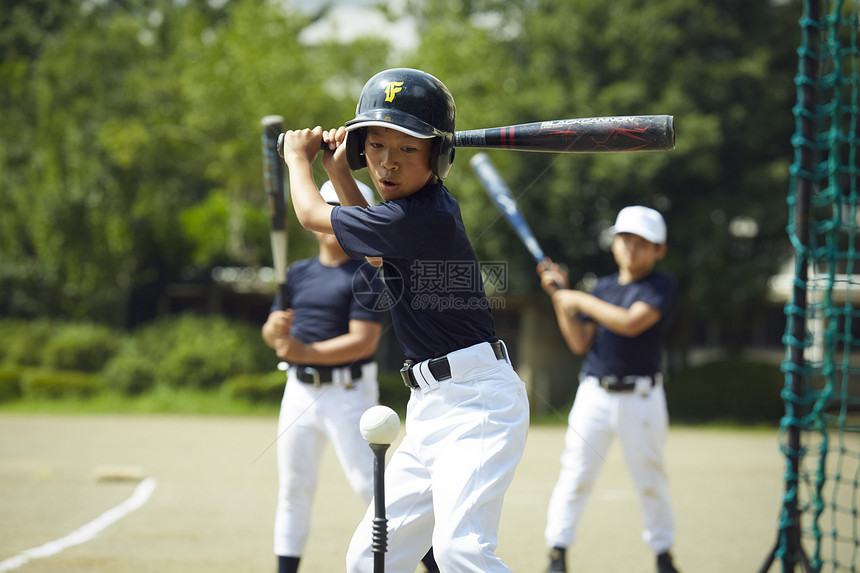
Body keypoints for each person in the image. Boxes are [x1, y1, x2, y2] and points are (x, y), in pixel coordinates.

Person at [279, 67, 530, 573]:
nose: (387, 164)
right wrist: (338, 172)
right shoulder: (407, 214)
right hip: (430, 408)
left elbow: (311, 216)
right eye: (374, 147)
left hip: (476, 404)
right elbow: (374, 256)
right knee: (370, 560)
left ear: (437, 156)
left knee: (461, 553)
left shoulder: (421, 216)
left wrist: (295, 158)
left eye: (407, 150)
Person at [537, 205, 681, 573]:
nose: (631, 248)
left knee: (650, 478)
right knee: (575, 474)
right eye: (624, 240)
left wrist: (579, 299)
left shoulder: (660, 286)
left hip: (642, 396)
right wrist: (561, 299)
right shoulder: (602, 287)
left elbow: (631, 323)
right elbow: (579, 341)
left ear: (658, 249)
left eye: (641, 243)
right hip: (594, 395)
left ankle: (663, 555)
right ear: (614, 244)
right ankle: (558, 552)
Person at [261, 179, 388, 573]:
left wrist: (303, 351)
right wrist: (275, 331)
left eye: (341, 209)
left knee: (371, 490)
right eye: (324, 206)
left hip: (349, 394)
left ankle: (432, 563)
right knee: (294, 489)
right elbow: (271, 332)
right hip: (298, 390)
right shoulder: (296, 272)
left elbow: (363, 341)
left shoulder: (368, 275)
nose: (331, 216)